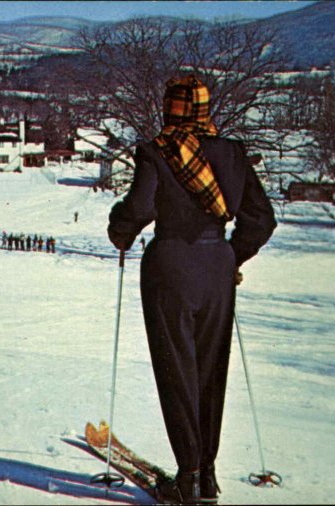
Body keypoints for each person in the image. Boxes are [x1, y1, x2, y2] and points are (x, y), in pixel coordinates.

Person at [107, 75, 276, 504]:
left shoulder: (156, 151)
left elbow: (141, 208)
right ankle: (207, 476)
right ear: (206, 109)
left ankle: (188, 477)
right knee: (210, 372)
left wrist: (120, 228)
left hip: (169, 268)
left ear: (170, 109)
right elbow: (261, 219)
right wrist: (230, 256)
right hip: (216, 266)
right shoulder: (233, 153)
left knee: (175, 370)